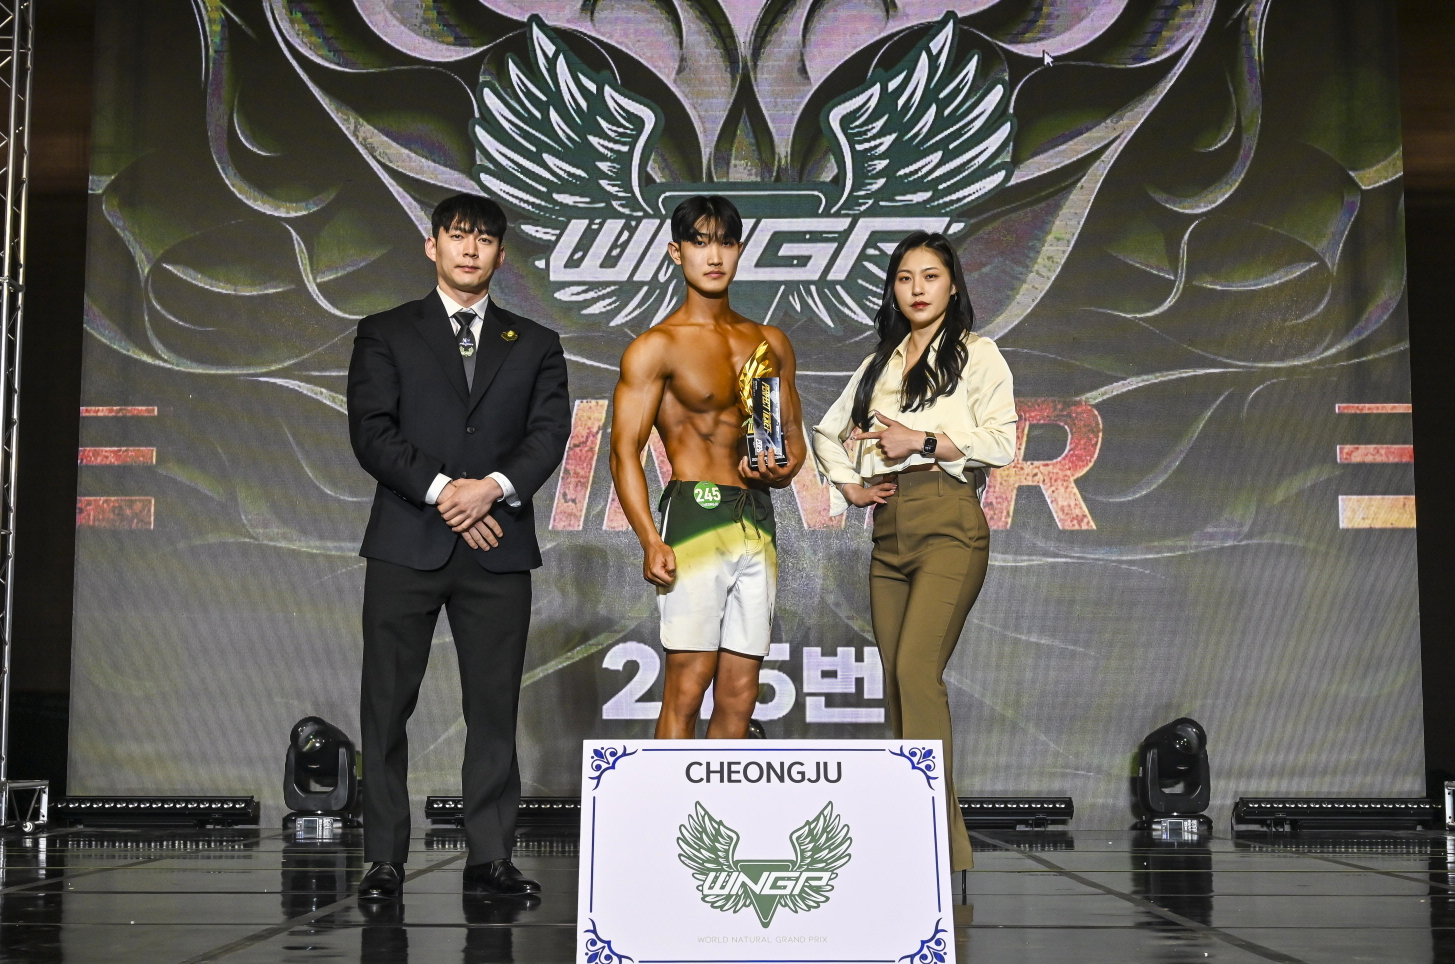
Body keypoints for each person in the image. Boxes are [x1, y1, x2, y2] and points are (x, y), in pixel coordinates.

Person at [347, 194, 570, 900]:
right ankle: (384, 857)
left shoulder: (535, 343)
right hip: (405, 542)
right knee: (386, 705)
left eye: (484, 239)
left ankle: (489, 858)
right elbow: (371, 431)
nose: (470, 249)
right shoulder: (385, 332)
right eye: (457, 235)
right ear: (432, 246)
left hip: (497, 547)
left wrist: (492, 488)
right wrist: (450, 492)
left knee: (494, 708)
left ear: (501, 255)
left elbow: (549, 434)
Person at [810, 231, 1017, 874]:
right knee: (898, 684)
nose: (918, 288)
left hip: (950, 521)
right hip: (889, 528)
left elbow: (1001, 443)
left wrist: (921, 441)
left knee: (917, 673)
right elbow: (826, 431)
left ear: (952, 286)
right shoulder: (879, 363)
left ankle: (939, 848)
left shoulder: (978, 354)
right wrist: (849, 484)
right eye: (905, 278)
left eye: (930, 276)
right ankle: (915, 838)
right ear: (893, 290)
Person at [609, 195, 806, 739]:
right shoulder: (656, 346)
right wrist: (650, 538)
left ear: (740, 250)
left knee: (741, 692)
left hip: (756, 517)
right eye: (700, 243)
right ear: (677, 252)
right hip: (695, 515)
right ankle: (667, 800)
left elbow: (792, 440)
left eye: (725, 243)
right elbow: (624, 451)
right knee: (688, 684)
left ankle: (724, 799)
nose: (713, 256)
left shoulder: (770, 343)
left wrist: (782, 469)